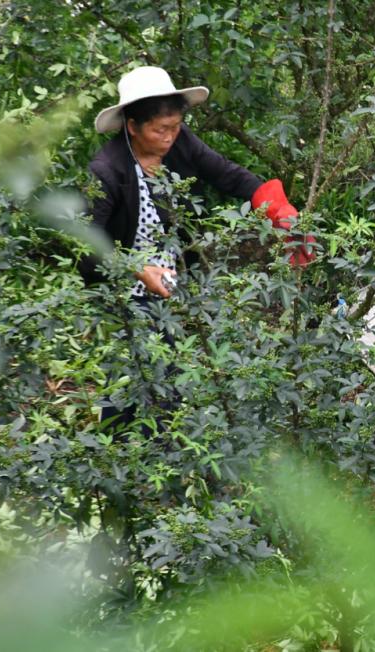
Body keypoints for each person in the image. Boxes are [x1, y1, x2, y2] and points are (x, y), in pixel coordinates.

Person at [83, 65, 314, 432]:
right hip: (121, 285)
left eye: (175, 126)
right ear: (132, 126)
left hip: (173, 278)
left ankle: (162, 449)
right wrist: (138, 269)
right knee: (133, 370)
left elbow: (228, 174)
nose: (170, 137)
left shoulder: (180, 143)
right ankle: (120, 452)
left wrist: (279, 212)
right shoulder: (107, 171)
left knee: (173, 369)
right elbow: (88, 241)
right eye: (161, 129)